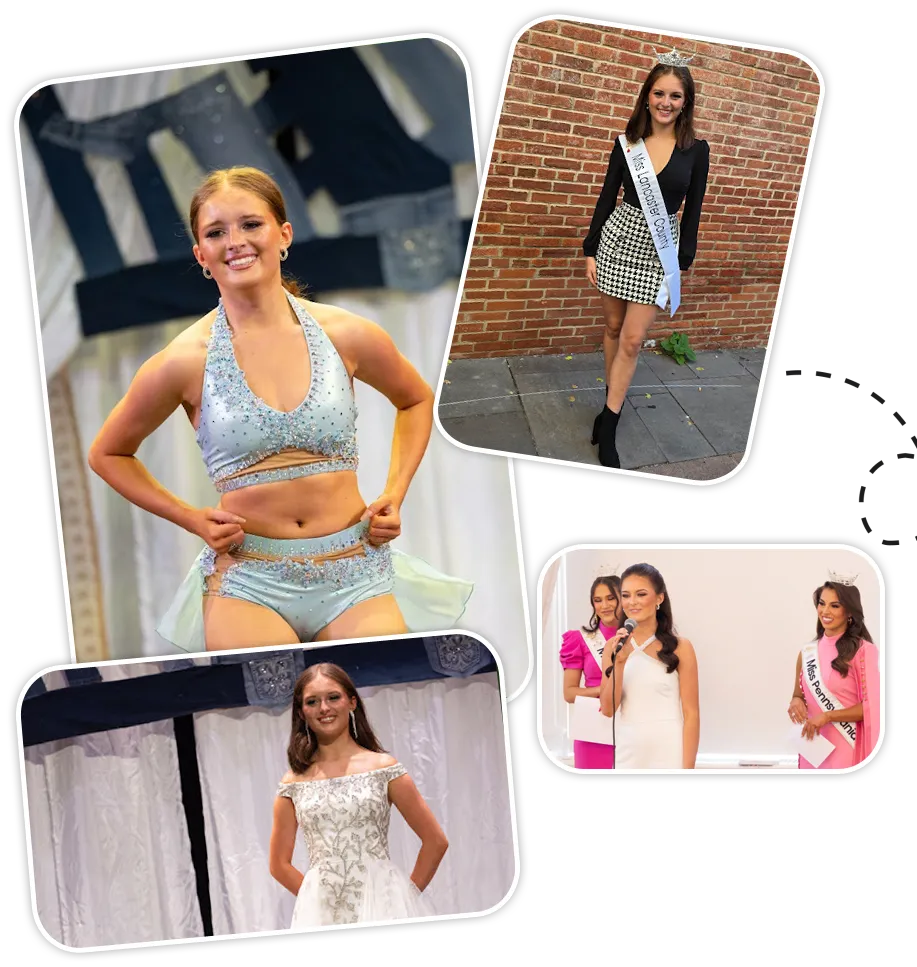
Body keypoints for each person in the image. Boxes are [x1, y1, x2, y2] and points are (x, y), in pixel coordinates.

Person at [88, 166, 472, 651]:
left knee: (376, 699)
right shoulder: (182, 361)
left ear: (283, 234)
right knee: (275, 716)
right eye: (215, 232)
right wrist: (191, 518)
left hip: (354, 566)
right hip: (249, 579)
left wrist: (394, 493)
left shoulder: (346, 333)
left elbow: (415, 398)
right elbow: (108, 453)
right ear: (201, 255)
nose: (235, 241)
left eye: (251, 224)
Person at [582, 52, 711, 468]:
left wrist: (683, 262)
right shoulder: (627, 144)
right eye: (659, 93)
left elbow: (693, 210)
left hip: (660, 249)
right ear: (647, 96)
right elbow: (607, 197)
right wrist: (590, 248)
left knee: (634, 339)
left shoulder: (697, 150)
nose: (666, 102)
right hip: (619, 240)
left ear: (686, 101)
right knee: (613, 327)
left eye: (676, 95)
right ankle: (608, 405)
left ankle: (611, 424)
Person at [268, 663, 447, 928]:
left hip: (383, 909)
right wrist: (315, 899)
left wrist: (401, 899)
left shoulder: (384, 768)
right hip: (324, 916)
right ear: (302, 713)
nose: (324, 708)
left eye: (333, 697)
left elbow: (435, 841)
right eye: (312, 701)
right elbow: (278, 864)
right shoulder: (293, 783)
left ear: (352, 702)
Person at [600, 563, 700, 768]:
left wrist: (688, 770)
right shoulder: (613, 647)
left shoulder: (681, 647)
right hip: (629, 752)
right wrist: (619, 662)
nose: (632, 602)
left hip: (670, 752)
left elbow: (691, 714)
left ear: (659, 598)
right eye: (626, 595)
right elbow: (608, 709)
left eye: (641, 594)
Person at [787, 575, 881, 769]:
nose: (825, 611)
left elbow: (873, 707)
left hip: (846, 748)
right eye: (822, 604)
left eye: (835, 606)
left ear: (849, 612)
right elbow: (799, 695)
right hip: (812, 748)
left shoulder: (864, 651)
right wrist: (796, 701)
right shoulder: (806, 653)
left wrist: (828, 716)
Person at [559, 574, 622, 769]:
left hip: (631, 726)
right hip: (593, 730)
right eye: (598, 600)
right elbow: (569, 693)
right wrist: (604, 688)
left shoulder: (638, 638)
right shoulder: (580, 639)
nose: (605, 605)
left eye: (611, 598)